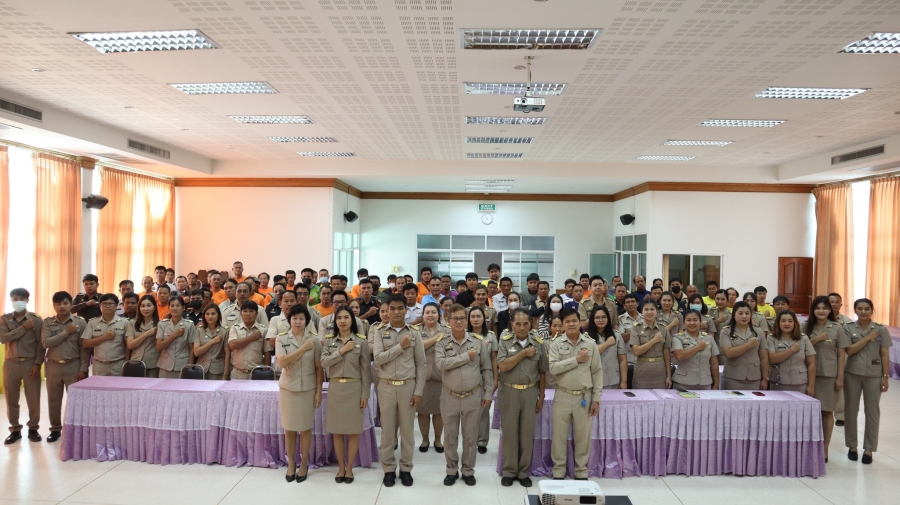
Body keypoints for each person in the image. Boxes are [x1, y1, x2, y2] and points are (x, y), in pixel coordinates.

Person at [372, 294, 427, 487]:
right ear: (387, 310)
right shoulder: (379, 332)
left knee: (407, 431)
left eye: (399, 308)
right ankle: (388, 469)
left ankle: (406, 469)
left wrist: (419, 390)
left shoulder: (414, 333)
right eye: (391, 309)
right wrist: (399, 347)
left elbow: (421, 364)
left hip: (408, 387)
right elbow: (377, 359)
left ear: (406, 309)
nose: (395, 312)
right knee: (387, 432)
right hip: (386, 387)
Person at [435, 304, 493, 486]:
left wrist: (488, 393)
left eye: (462, 318)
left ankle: (468, 470)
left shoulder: (478, 342)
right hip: (449, 396)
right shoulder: (442, 342)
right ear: (448, 320)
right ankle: (451, 470)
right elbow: (440, 364)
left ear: (466, 320)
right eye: (455, 318)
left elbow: (486, 369)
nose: (459, 321)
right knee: (450, 436)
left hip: (473, 395)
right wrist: (466, 357)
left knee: (470, 436)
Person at [548, 308, 602, 480]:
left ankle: (581, 471)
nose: (571, 324)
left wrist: (597, 400)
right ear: (562, 325)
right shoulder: (556, 344)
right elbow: (554, 369)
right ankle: (558, 471)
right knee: (559, 437)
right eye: (567, 322)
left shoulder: (590, 344)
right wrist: (576, 359)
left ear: (580, 322)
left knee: (582, 437)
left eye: (574, 321)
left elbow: (597, 373)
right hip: (563, 395)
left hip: (584, 397)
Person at [497, 308, 548, 487]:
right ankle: (509, 471)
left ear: (531, 324)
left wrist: (541, 396)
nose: (521, 328)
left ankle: (523, 471)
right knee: (510, 433)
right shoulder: (504, 342)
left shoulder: (539, 343)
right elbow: (502, 366)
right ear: (512, 325)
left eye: (525, 324)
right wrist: (523, 354)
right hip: (509, 391)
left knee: (527, 434)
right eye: (517, 324)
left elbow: (542, 372)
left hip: (530, 392)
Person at [322, 306, 371, 484]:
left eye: (346, 317)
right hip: (336, 388)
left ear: (352, 320)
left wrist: (365, 394)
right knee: (336, 431)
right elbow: (323, 362)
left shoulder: (361, 342)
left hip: (354, 388)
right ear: (335, 322)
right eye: (339, 318)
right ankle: (340, 468)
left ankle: (349, 468)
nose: (342, 321)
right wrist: (341, 351)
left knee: (352, 432)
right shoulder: (329, 341)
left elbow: (366, 371)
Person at [277, 304, 324, 483]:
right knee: (289, 428)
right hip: (288, 388)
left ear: (306, 321)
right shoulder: (282, 339)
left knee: (305, 428)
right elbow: (282, 362)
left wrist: (319, 392)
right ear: (290, 320)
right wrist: (303, 348)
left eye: (301, 318)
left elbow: (319, 368)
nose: (298, 321)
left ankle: (303, 463)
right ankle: (291, 464)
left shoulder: (315, 340)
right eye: (295, 318)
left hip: (308, 388)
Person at [843, 298, 892, 465]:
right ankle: (852, 447)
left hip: (874, 374)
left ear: (872, 310)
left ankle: (869, 449)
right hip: (852, 373)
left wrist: (885, 377)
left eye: (867, 308)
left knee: (872, 412)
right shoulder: (848, 328)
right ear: (855, 310)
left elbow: (884, 354)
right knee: (851, 410)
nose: (863, 311)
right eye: (860, 308)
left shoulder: (880, 329)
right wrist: (867, 338)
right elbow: (849, 350)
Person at [41, 291, 89, 443]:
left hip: (73, 365)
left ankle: (76, 429)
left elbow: (84, 348)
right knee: (53, 400)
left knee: (76, 401)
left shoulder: (80, 322)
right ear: (54, 306)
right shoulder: (47, 322)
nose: (62, 306)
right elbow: (46, 343)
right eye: (58, 303)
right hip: (53, 366)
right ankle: (55, 429)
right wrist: (66, 333)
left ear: (71, 305)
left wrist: (83, 368)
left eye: (65, 303)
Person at [806, 296, 849, 462]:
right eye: (818, 308)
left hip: (829, 375)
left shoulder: (837, 328)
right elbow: (799, 346)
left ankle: (824, 448)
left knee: (826, 411)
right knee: (808, 412)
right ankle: (809, 445)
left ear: (830, 310)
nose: (821, 311)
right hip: (807, 375)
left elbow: (841, 355)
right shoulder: (805, 326)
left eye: (825, 308)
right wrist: (816, 339)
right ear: (813, 310)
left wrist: (840, 378)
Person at [2, 288, 44, 444]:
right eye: (14, 298)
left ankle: (33, 428)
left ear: (27, 299)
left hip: (30, 363)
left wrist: (37, 364)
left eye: (20, 298)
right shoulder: (4, 319)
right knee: (11, 399)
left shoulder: (36, 319)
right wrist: (23, 328)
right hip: (10, 363)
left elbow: (41, 345)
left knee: (33, 398)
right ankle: (15, 429)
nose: (17, 301)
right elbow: (3, 338)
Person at [466, 305, 498, 455]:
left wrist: (495, 378)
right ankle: (469, 440)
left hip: (486, 377)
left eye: (478, 316)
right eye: (472, 317)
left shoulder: (490, 336)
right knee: (469, 411)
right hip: (468, 377)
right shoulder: (464, 335)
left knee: (484, 411)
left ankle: (482, 441)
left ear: (484, 319)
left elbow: (494, 358)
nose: (475, 319)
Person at [417, 302, 447, 453]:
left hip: (442, 376)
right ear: (422, 315)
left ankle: (438, 439)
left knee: (438, 411)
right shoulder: (415, 330)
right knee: (422, 410)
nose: (430, 315)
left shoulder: (447, 330)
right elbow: (417, 347)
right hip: (422, 376)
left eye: (433, 312)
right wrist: (435, 338)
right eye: (427, 312)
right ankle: (424, 439)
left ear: (439, 314)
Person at [719, 301, 769, 390]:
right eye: (740, 313)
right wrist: (748, 345)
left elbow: (764, 357)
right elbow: (728, 353)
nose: (744, 316)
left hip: (754, 378)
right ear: (734, 315)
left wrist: (765, 378)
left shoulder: (759, 331)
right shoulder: (726, 331)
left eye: (747, 313)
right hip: (733, 378)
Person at [81, 294, 133, 376]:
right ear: (100, 306)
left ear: (116, 306)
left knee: (118, 388)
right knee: (99, 388)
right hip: (99, 365)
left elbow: (127, 345)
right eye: (104, 304)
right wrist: (104, 337)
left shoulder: (125, 323)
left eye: (111, 304)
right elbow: (85, 343)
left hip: (118, 364)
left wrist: (126, 363)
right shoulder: (92, 323)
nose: (107, 306)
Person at [671, 310, 720, 390]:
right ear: (684, 322)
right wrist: (698, 347)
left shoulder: (709, 338)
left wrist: (716, 384)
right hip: (683, 383)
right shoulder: (678, 337)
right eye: (688, 320)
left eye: (695, 320)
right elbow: (679, 356)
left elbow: (714, 363)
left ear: (700, 322)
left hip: (705, 383)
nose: (692, 323)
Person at [629, 302, 672, 389]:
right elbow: (636, 351)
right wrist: (654, 340)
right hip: (642, 370)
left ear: (657, 311)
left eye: (652, 309)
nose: (649, 312)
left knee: (660, 400)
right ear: (642, 312)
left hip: (659, 371)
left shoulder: (663, 328)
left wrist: (669, 376)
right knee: (640, 399)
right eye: (646, 309)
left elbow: (667, 353)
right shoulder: (636, 328)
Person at [226, 301, 270, 380]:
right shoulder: (235, 328)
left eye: (251, 311)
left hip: (257, 373)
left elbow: (267, 352)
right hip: (237, 373)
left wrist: (266, 371)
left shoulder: (263, 330)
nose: (248, 314)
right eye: (245, 311)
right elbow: (232, 345)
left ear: (256, 313)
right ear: (240, 313)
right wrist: (251, 338)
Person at [587, 305, 627, 389]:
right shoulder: (586, 337)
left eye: (603, 317)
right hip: (594, 381)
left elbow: (622, 359)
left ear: (608, 318)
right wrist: (607, 343)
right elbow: (589, 354)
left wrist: (624, 381)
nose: (601, 320)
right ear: (592, 320)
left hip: (614, 379)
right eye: (597, 317)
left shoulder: (617, 335)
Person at [155, 297, 195, 379]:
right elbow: (159, 346)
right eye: (172, 306)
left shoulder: (189, 325)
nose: (175, 308)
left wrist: (190, 366)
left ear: (183, 308)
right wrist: (174, 335)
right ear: (168, 308)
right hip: (165, 365)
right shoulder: (162, 324)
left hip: (182, 365)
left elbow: (192, 348)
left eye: (178, 305)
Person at [128, 295, 161, 377]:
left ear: (154, 307)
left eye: (149, 305)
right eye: (142, 306)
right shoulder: (132, 323)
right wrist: (146, 334)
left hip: (153, 364)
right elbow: (130, 345)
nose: (146, 309)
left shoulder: (160, 324)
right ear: (139, 308)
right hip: (135, 362)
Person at [267, 290, 296, 378]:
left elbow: (310, 341)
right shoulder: (275, 320)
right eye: (286, 301)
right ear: (280, 303)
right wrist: (295, 338)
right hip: (280, 369)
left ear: (297, 302)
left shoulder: (305, 320)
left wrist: (281, 339)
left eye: (292, 301)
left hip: (299, 367)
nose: (289, 304)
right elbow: (272, 342)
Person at [194, 304, 228, 380]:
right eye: (207, 314)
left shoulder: (224, 330)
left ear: (218, 315)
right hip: (202, 368)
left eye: (213, 314)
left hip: (218, 369)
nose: (210, 316)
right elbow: (196, 352)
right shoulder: (200, 330)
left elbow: (227, 354)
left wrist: (225, 374)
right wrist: (212, 341)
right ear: (204, 316)